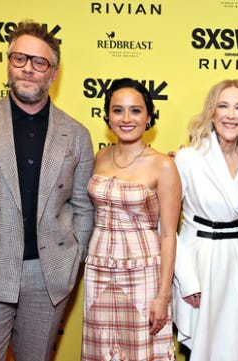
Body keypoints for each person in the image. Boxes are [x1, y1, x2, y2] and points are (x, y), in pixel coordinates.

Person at [0, 20, 95, 360]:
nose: (28, 69)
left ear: (53, 73)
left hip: (48, 275)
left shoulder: (77, 134)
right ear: (9, 64)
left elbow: (84, 207)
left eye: (40, 63)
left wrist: (71, 261)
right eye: (20, 59)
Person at [81, 78, 181, 361]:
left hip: (143, 272)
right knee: (99, 351)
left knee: (142, 353)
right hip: (98, 270)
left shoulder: (163, 165)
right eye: (118, 110)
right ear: (107, 116)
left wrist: (163, 296)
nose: (126, 119)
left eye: (135, 111)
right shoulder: (99, 157)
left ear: (149, 117)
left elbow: (168, 235)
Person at [172, 80, 238, 361]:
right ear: (211, 113)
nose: (231, 115)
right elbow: (168, 224)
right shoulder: (188, 158)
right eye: (223, 106)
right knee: (201, 347)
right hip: (199, 258)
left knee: (236, 345)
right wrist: (186, 279)